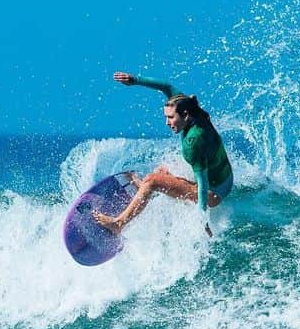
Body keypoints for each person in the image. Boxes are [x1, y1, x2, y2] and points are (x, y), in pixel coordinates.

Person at [93, 71, 234, 237]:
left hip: (214, 193)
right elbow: (166, 86)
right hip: (224, 180)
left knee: (153, 180)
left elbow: (202, 185)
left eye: (170, 118)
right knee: (161, 171)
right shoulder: (188, 106)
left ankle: (118, 223)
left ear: (185, 115)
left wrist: (202, 220)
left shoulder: (194, 142)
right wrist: (135, 80)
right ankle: (147, 192)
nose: (167, 122)